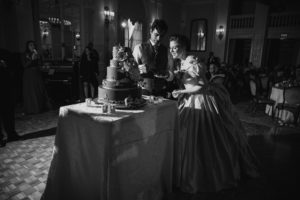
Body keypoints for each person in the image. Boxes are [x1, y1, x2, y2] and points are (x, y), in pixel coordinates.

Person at [169, 35, 260, 194]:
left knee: (203, 139)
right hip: (190, 100)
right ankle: (189, 172)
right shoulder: (181, 62)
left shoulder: (191, 60)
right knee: (189, 138)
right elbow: (189, 80)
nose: (172, 50)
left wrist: (181, 91)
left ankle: (206, 175)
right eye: (171, 48)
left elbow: (203, 85)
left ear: (183, 46)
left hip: (201, 101)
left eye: (175, 47)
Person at [133, 19, 171, 97]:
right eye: (156, 35)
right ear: (151, 31)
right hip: (144, 92)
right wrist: (140, 68)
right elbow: (131, 71)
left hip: (161, 93)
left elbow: (170, 73)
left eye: (162, 36)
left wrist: (167, 75)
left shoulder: (167, 51)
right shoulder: (139, 48)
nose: (159, 38)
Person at [22, 41, 51, 114]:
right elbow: (24, 65)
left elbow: (40, 64)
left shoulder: (37, 53)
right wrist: (32, 59)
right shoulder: (24, 54)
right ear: (27, 46)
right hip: (28, 75)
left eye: (33, 45)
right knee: (31, 92)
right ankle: (32, 109)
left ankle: (40, 108)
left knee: (39, 90)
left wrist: (39, 58)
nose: (32, 46)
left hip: (37, 74)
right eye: (30, 45)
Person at [0, 49, 21, 146]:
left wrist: (6, 66)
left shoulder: (5, 53)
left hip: (6, 87)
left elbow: (14, 70)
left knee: (8, 111)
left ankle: (11, 133)